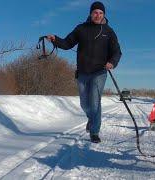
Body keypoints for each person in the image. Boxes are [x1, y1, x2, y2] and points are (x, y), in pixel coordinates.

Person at [47, 1, 122, 143]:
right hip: (83, 72)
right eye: (95, 12)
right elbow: (68, 43)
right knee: (84, 104)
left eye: (101, 13)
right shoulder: (81, 28)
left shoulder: (108, 31)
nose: (98, 15)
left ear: (104, 15)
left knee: (94, 102)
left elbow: (117, 51)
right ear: (90, 13)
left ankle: (94, 132)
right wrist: (55, 40)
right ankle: (92, 119)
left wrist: (112, 62)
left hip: (100, 72)